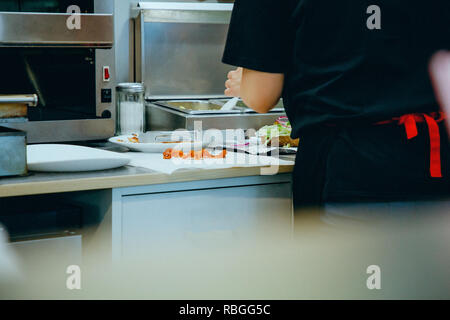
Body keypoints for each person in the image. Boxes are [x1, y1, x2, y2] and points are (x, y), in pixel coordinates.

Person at [222, 0, 450, 214]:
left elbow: (261, 95)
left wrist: (246, 84)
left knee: (348, 256)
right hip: (436, 156)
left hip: (348, 169)